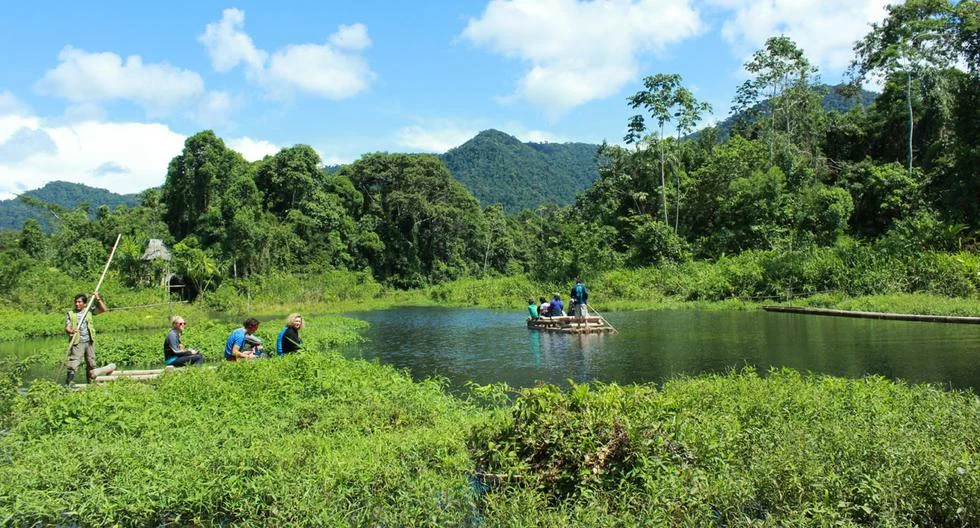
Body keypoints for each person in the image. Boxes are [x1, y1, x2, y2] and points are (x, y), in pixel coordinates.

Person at [64, 292, 107, 385]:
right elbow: (67, 328)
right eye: (76, 302)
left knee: (91, 363)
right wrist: (71, 331)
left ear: (84, 304)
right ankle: (68, 383)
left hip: (89, 341)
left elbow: (103, 309)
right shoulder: (70, 314)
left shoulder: (89, 311)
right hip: (77, 342)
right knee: (73, 363)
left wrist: (97, 298)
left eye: (79, 302)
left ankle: (90, 383)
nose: (77, 304)